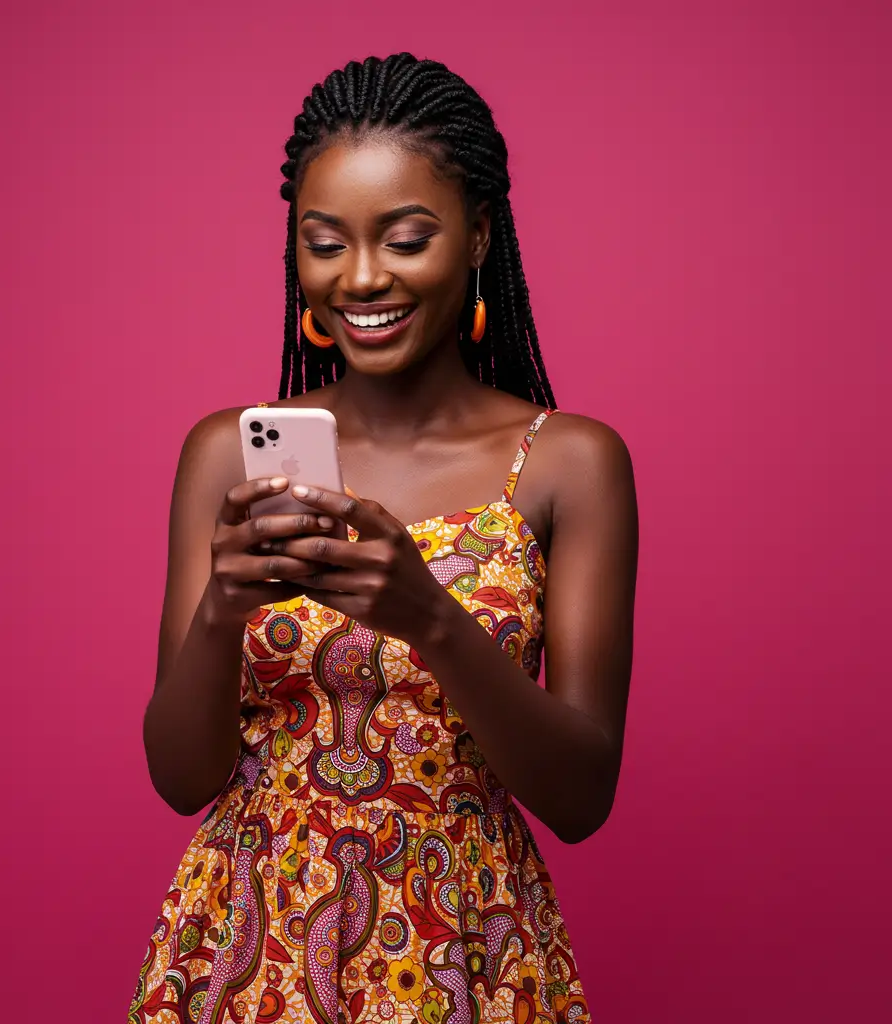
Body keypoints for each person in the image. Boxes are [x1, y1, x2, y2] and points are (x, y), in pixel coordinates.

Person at [130, 53, 638, 1024]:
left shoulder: (569, 463)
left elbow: (581, 798)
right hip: (250, 948)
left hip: (465, 946)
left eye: (405, 239)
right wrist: (220, 612)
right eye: (325, 243)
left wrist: (430, 619)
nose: (361, 277)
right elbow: (179, 779)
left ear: (478, 233)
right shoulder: (225, 455)